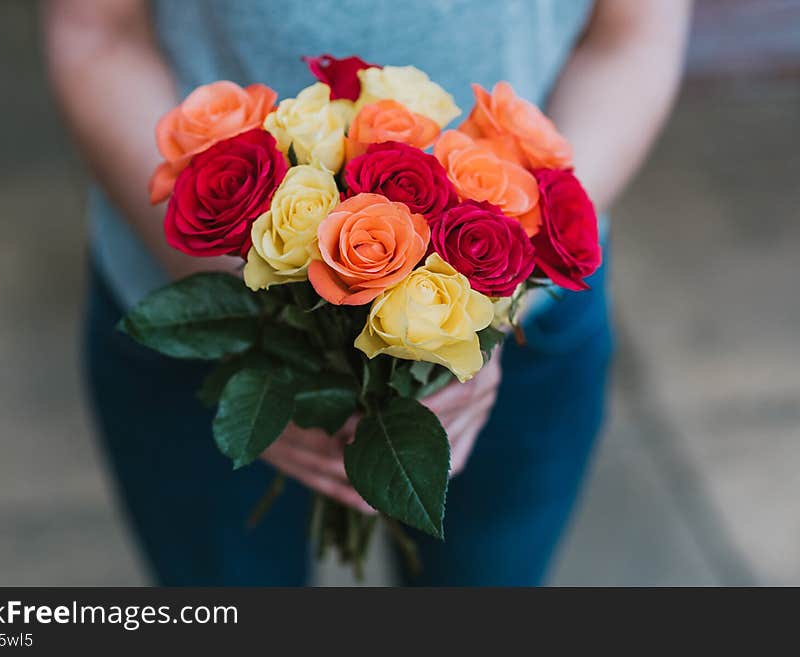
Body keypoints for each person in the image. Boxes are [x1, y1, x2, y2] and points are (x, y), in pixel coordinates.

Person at [44, 0, 691, 585]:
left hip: (528, 331)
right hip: (188, 303)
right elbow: (95, 30)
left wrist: (486, 308)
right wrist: (271, 330)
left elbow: (633, 35)